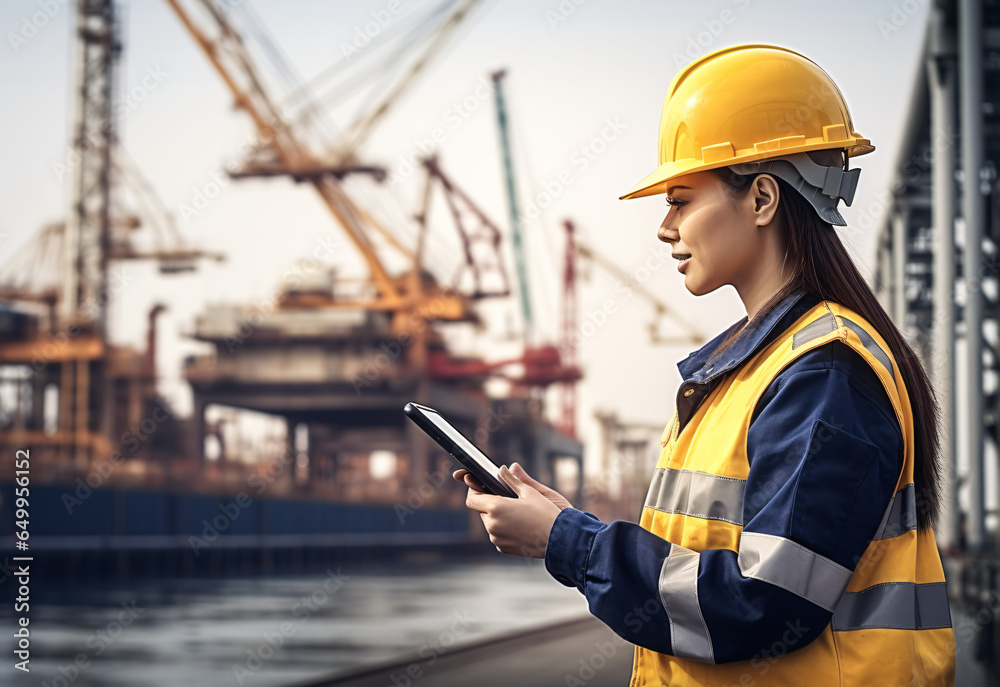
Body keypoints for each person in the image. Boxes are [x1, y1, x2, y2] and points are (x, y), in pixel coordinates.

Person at [452, 43, 956, 686]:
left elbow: (761, 604)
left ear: (763, 198)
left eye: (683, 199)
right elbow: (709, 566)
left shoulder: (823, 377)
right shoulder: (760, 370)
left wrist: (568, 543)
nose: (665, 227)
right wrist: (566, 522)